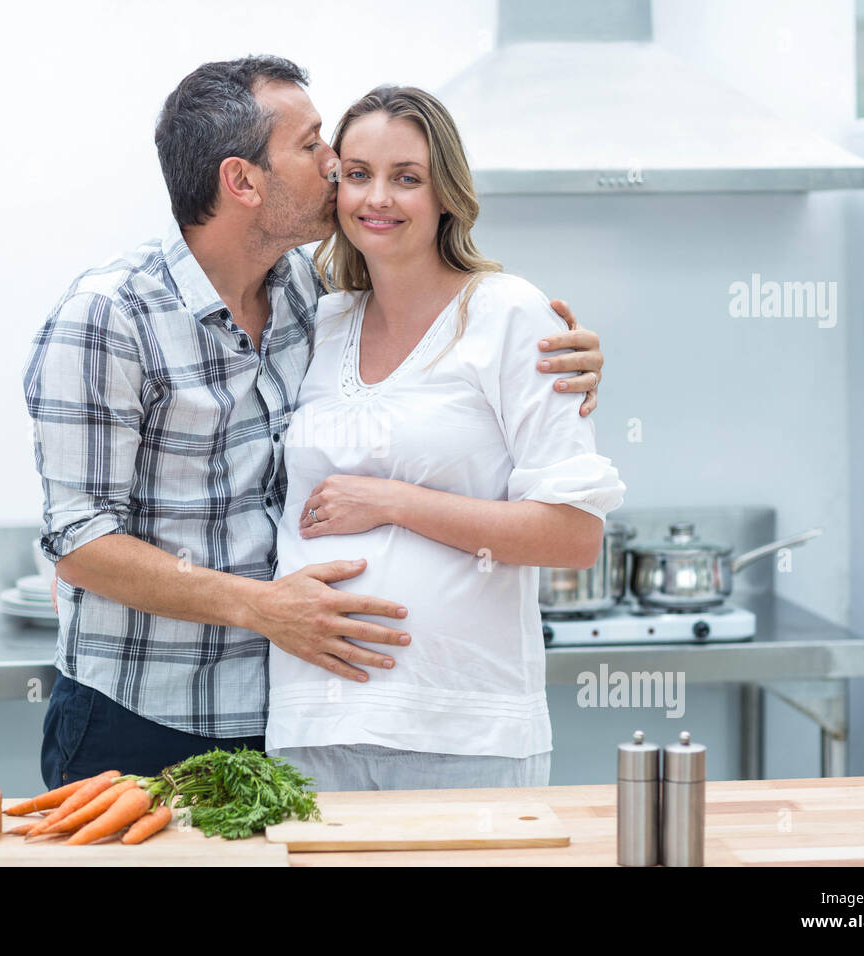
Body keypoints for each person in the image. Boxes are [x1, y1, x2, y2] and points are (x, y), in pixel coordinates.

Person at [23, 56, 609, 787]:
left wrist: (561, 357)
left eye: (397, 173)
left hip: (280, 717)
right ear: (243, 181)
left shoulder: (312, 295)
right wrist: (267, 610)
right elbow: (79, 540)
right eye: (313, 147)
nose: (334, 167)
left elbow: (439, 321)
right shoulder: (109, 315)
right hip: (142, 713)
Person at [264, 86, 626, 791]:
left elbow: (574, 536)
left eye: (408, 178)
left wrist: (394, 501)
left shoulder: (507, 314)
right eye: (359, 174)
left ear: (446, 196)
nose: (379, 198)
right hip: (313, 722)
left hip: (464, 727)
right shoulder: (315, 322)